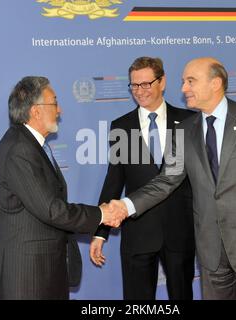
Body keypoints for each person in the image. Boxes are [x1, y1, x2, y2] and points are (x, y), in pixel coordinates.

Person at [109, 57, 236, 300]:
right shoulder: (185, 130)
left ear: (215, 83)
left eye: (190, 81)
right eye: (184, 81)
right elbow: (167, 180)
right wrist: (126, 205)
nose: (184, 88)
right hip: (211, 254)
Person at [0, 76, 126, 300]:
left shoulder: (30, 145)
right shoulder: (19, 150)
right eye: (54, 103)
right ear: (36, 111)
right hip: (28, 278)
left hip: (44, 272)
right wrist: (102, 214)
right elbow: (52, 209)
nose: (60, 110)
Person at [90, 57, 195, 300]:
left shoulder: (190, 122)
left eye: (146, 84)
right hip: (138, 234)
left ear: (163, 82)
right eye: (134, 86)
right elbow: (114, 181)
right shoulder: (121, 126)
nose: (140, 91)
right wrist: (100, 232)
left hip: (180, 232)